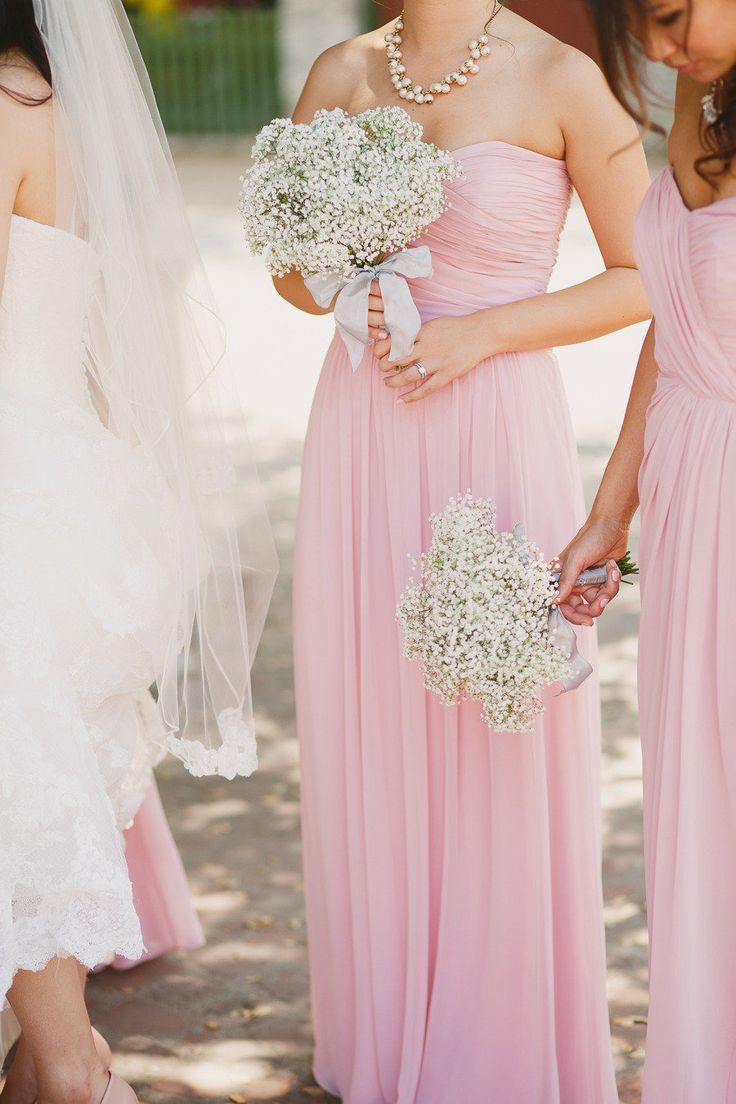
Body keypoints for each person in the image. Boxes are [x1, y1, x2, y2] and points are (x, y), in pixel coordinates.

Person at [277, 1, 651, 1099]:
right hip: (361, 434)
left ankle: (493, 1051)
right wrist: (345, 258)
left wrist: (480, 331)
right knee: (373, 718)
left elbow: (642, 275)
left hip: (494, 434)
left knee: (496, 722)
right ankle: (390, 1034)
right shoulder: (342, 69)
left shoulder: (560, 76)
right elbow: (291, 286)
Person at [0, 1, 276, 1101]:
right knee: (31, 781)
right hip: (65, 477)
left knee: (23, 792)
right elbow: (98, 331)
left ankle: (70, 1069)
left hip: (16, 487)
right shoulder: (61, 112)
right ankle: (55, 1065)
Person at [557, 1, 736, 1099]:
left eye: (674, 16)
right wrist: (609, 512)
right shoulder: (697, 96)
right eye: (644, 28)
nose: (665, 49)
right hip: (687, 481)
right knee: (701, 794)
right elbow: (673, 327)